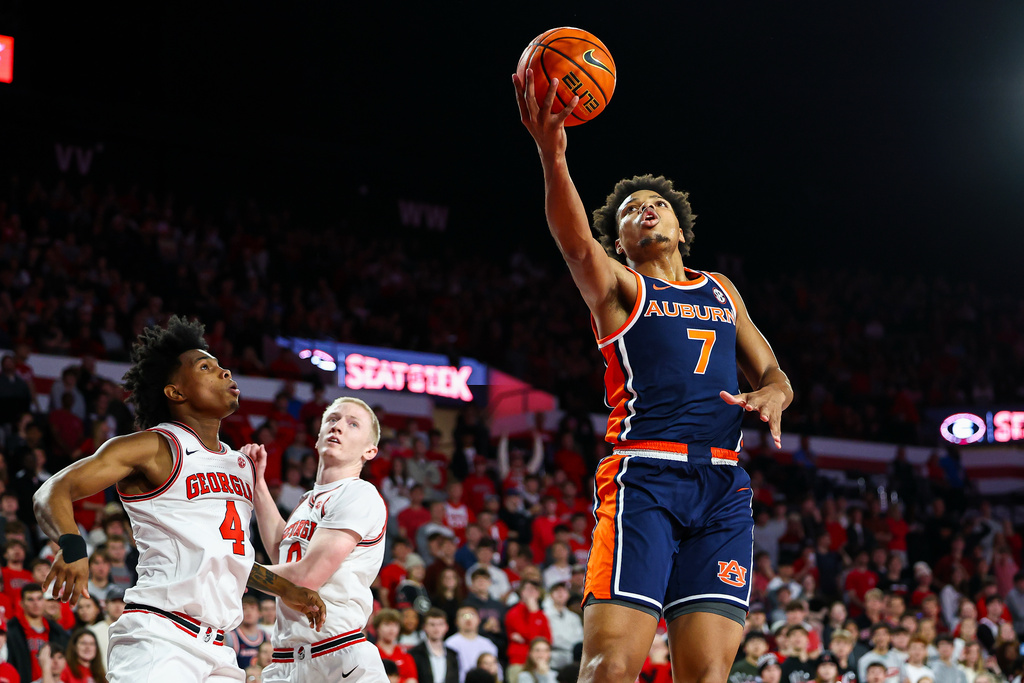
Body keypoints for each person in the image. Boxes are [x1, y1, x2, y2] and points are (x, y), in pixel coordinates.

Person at [513, 66, 793, 683]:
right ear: (617, 240)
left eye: (657, 204)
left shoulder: (721, 290)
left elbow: (772, 367)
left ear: (680, 228)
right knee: (611, 666)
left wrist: (775, 390)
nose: (647, 210)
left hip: (723, 484)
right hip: (644, 474)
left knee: (708, 674)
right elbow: (573, 242)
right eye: (633, 210)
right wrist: (552, 156)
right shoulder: (618, 287)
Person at [32, 315, 325, 682]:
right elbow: (53, 490)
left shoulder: (240, 463)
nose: (224, 371)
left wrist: (288, 590)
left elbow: (224, 557)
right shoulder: (155, 446)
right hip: (160, 639)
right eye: (206, 367)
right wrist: (72, 545)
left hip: (220, 649)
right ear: (176, 392)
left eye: (221, 366)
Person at [247, 395, 390, 683]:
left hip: (339, 657)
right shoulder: (306, 501)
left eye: (352, 424)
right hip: (286, 658)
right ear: (317, 438)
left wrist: (228, 568)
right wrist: (258, 483)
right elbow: (282, 557)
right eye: (333, 419)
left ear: (370, 451)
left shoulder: (359, 494)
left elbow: (304, 577)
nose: (338, 427)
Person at [446, 607, 499, 683]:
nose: (468, 619)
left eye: (472, 615)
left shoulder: (488, 644)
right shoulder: (450, 644)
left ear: (479, 620)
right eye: (463, 615)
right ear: (456, 622)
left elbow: (497, 672)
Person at [409, 608, 460, 683]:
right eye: (432, 624)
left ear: (446, 627)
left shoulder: (452, 654)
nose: (436, 628)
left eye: (440, 624)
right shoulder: (415, 653)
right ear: (424, 627)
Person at [225, 595, 270, 670]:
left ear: (260, 613)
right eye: (244, 608)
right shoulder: (230, 637)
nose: (248, 611)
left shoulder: (267, 636)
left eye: (252, 608)